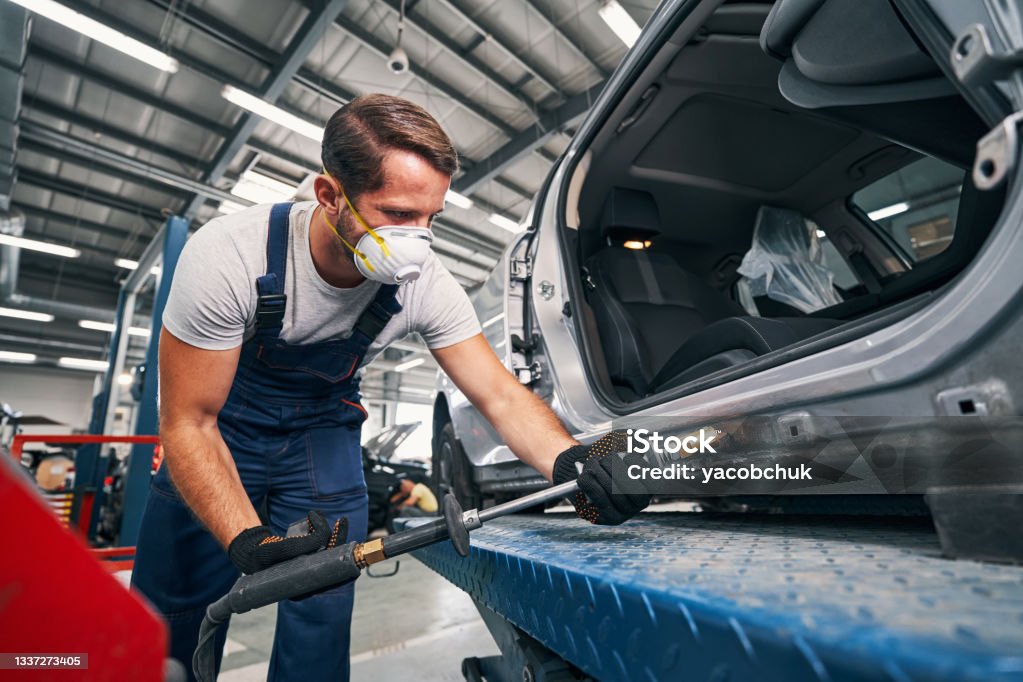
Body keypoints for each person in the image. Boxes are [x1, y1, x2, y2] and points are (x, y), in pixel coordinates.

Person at [130, 93, 650, 681]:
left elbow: (498, 395)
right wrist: (246, 538)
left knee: (321, 611)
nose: (418, 241)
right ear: (330, 196)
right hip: (219, 435)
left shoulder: (424, 284)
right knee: (170, 615)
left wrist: (575, 463)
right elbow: (187, 423)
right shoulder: (229, 257)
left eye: (432, 218)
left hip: (319, 440)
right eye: (399, 215)